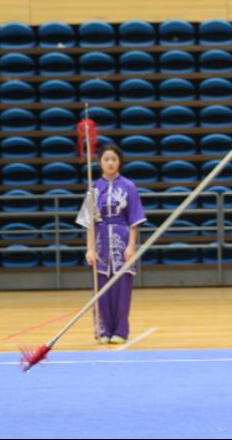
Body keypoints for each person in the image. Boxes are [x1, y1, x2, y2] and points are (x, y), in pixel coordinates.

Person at [76, 144, 147, 345]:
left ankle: (120, 332)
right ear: (100, 162)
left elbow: (134, 219)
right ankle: (103, 330)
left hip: (121, 237)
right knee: (101, 288)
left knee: (122, 287)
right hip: (100, 240)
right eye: (106, 159)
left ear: (119, 162)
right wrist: (90, 248)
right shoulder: (93, 188)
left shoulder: (129, 186)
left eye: (114, 159)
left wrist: (131, 245)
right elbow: (89, 222)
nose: (110, 163)